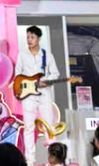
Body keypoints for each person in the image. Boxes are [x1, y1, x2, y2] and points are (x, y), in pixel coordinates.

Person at [15, 26, 65, 166]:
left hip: (44, 94)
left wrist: (46, 81)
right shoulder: (22, 55)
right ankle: (30, 160)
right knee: (29, 127)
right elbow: (17, 74)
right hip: (28, 95)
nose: (29, 40)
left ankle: (53, 158)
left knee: (49, 126)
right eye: (28, 37)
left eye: (32, 37)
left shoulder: (47, 55)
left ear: (38, 38)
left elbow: (55, 73)